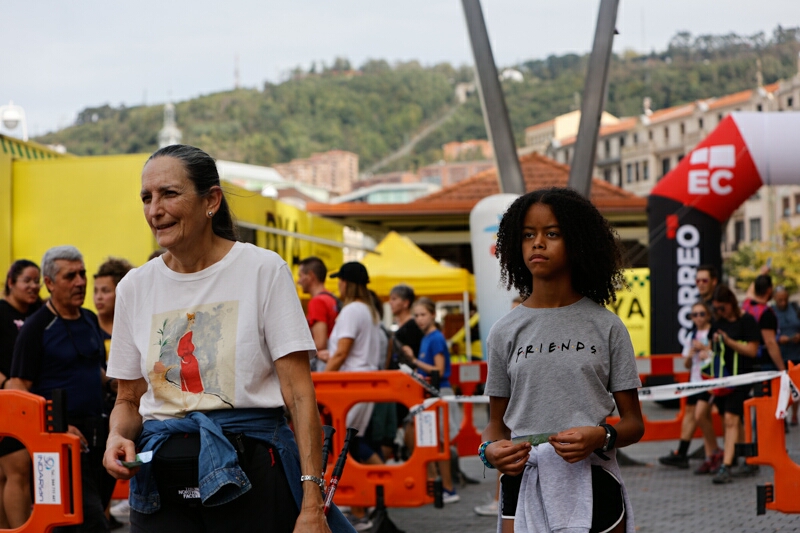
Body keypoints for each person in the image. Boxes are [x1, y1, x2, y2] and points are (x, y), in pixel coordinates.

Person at [100, 145, 351, 533]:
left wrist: (312, 503)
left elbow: (299, 396)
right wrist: (117, 436)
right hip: (162, 474)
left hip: (252, 467)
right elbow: (128, 398)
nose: (154, 210)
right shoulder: (135, 286)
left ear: (211, 200)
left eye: (169, 194)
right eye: (147, 198)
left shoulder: (262, 270)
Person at [482, 187, 644, 533]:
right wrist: (489, 452)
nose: (537, 243)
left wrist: (601, 436)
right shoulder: (503, 331)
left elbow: (634, 423)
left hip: (595, 480)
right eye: (528, 235)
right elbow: (496, 425)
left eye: (552, 233)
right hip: (524, 482)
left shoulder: (607, 326)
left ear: (578, 243)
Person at [9, 246, 116, 532]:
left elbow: (96, 369)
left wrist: (119, 383)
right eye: (71, 276)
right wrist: (57, 426)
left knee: (90, 518)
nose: (81, 282)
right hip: (60, 441)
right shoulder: (36, 328)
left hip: (99, 435)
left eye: (82, 274)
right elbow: (16, 388)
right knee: (89, 523)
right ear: (50, 283)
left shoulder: (90, 319)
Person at [320, 261, 382, 532]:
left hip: (349, 388)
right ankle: (371, 502)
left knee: (345, 446)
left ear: (348, 282)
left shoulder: (351, 310)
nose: (337, 285)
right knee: (355, 445)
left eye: (340, 280)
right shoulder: (368, 311)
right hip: (362, 385)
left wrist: (320, 382)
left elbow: (343, 352)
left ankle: (363, 506)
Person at [402, 297, 461, 504]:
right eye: (416, 315)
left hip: (438, 392)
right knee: (431, 439)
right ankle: (439, 484)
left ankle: (447, 487)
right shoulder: (428, 337)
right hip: (430, 393)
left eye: (423, 314)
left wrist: (414, 361)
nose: (419, 319)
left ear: (433, 315)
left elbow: (439, 369)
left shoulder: (435, 338)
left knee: (440, 441)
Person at [0, 259, 42, 529]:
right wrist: (8, 387)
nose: (33, 286)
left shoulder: (38, 312)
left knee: (8, 476)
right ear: (11, 282)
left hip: (34, 402)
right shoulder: (1, 312)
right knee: (17, 472)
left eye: (37, 281)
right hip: (9, 402)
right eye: (27, 280)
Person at [93, 257, 134, 528]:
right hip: (105, 411)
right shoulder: (89, 329)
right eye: (95, 291)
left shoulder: (131, 326)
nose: (98, 297)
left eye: (105, 291)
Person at [705, 284, 761, 484]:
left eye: (722, 308)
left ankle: (727, 465)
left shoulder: (746, 321)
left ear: (731, 304)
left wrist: (729, 342)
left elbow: (753, 351)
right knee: (733, 420)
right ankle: (747, 457)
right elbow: (710, 349)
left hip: (741, 378)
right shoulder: (717, 321)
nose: (719, 312)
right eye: (716, 308)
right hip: (722, 378)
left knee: (731, 418)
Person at [658, 301, 723, 474]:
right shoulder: (691, 334)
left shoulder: (714, 333)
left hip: (708, 380)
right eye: (694, 315)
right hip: (694, 381)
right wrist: (692, 355)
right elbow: (686, 363)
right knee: (695, 416)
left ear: (708, 315)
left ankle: (716, 452)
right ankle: (708, 456)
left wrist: (706, 350)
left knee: (700, 415)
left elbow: (719, 354)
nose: (698, 318)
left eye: (701, 314)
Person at [298, 256, 339, 371]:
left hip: (322, 366)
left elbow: (320, 344)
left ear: (311, 276)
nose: (298, 281)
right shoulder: (332, 298)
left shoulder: (317, 301)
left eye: (301, 276)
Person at [742, 274, 786, 372]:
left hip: (747, 361)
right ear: (769, 290)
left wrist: (762, 273)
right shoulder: (766, 314)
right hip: (764, 364)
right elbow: (770, 343)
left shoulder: (746, 305)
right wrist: (783, 370)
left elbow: (750, 291)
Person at [772, 285, 800, 425]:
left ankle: (794, 414)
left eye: (785, 299)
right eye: (780, 300)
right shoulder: (771, 311)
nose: (783, 303)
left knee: (796, 384)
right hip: (780, 354)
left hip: (795, 352)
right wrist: (778, 339)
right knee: (781, 386)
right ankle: (782, 413)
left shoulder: (794, 308)